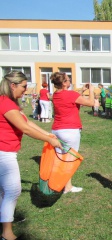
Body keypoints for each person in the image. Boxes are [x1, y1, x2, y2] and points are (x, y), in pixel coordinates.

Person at [0, 71, 61, 240]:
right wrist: (51, 141)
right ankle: (7, 233)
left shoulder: (8, 103)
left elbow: (28, 122)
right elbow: (25, 129)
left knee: (5, 191)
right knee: (12, 191)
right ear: (13, 85)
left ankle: (5, 224)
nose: (25, 90)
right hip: (4, 154)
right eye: (24, 86)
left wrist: (48, 135)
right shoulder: (7, 105)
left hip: (5, 152)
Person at [50, 72, 94, 194]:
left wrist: (82, 90)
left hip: (56, 130)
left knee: (60, 158)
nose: (70, 82)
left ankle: (60, 184)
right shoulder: (71, 94)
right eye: (68, 80)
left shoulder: (56, 94)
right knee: (69, 159)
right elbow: (90, 103)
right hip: (70, 131)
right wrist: (91, 90)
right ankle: (66, 186)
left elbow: (72, 98)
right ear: (64, 83)